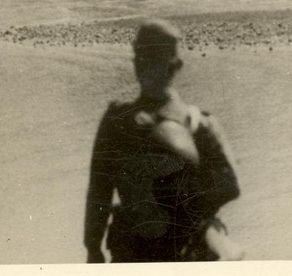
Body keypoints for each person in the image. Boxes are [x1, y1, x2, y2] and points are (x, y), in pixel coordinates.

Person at [84, 19, 242, 263]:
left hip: (174, 250)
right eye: (141, 59)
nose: (143, 66)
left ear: (174, 66)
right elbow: (99, 190)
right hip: (151, 251)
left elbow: (229, 186)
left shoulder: (199, 124)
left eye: (152, 59)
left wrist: (172, 210)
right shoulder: (120, 121)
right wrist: (93, 247)